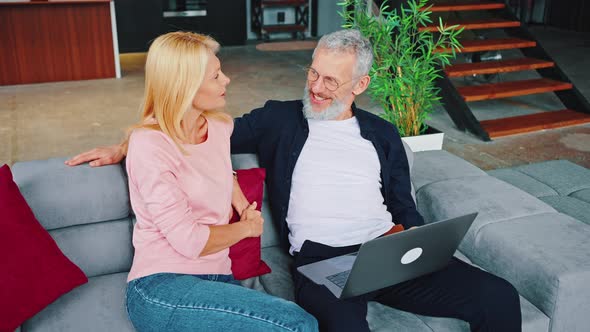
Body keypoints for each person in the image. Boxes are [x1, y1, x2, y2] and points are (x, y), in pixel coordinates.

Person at [66, 30, 521, 332]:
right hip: (322, 262)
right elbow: (179, 129)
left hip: (385, 249)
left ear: (359, 86)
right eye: (313, 73)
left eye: (331, 80)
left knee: (498, 295)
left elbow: (404, 204)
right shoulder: (277, 120)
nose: (317, 87)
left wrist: (410, 233)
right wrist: (125, 144)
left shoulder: (382, 134)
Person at [103, 31, 318, 332]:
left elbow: (212, 167)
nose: (227, 80)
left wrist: (240, 199)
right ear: (185, 86)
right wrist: (247, 228)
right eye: (216, 76)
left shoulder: (219, 126)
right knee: (298, 324)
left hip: (219, 279)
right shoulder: (149, 145)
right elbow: (189, 241)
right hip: (163, 286)